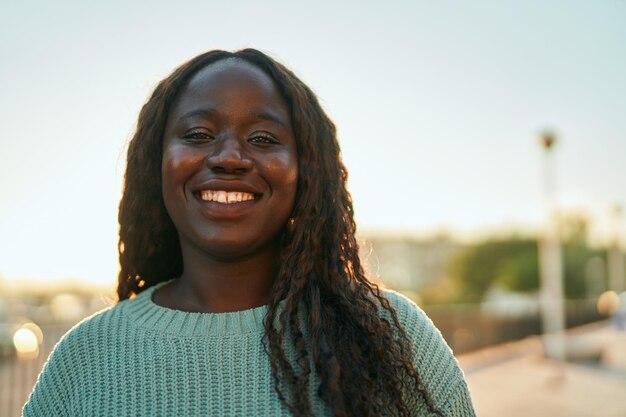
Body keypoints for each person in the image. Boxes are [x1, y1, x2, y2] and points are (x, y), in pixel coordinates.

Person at [23, 48, 475, 417]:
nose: (229, 157)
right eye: (198, 134)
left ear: (307, 173)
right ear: (155, 165)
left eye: (262, 138)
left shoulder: (389, 337)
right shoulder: (84, 358)